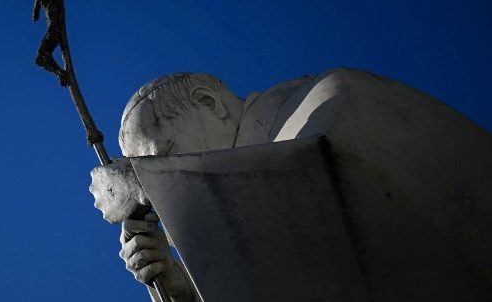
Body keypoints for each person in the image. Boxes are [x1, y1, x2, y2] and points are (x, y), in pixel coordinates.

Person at [91, 68, 492, 301]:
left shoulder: (323, 99)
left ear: (209, 104)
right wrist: (185, 288)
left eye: (162, 156)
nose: (160, 189)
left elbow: (325, 180)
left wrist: (142, 182)